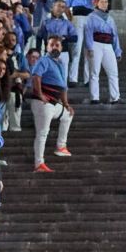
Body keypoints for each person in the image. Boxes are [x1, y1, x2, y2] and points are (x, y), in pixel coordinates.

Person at [24, 46, 73, 174]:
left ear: (62, 47)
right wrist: (40, 94)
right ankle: (39, 163)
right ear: (47, 46)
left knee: (67, 114)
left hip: (54, 103)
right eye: (52, 44)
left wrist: (66, 103)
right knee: (42, 133)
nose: (55, 47)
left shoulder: (60, 63)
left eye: (57, 45)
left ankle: (61, 146)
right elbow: (36, 76)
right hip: (43, 103)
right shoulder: (44, 60)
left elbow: (63, 87)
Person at [82, 0, 123, 105]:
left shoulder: (110, 18)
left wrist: (117, 51)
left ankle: (115, 96)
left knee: (113, 72)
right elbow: (88, 32)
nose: (105, 4)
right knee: (94, 72)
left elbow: (115, 35)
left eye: (106, 2)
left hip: (108, 45)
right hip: (96, 44)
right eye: (102, 2)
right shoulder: (91, 17)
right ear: (96, 3)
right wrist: (89, 48)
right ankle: (94, 97)